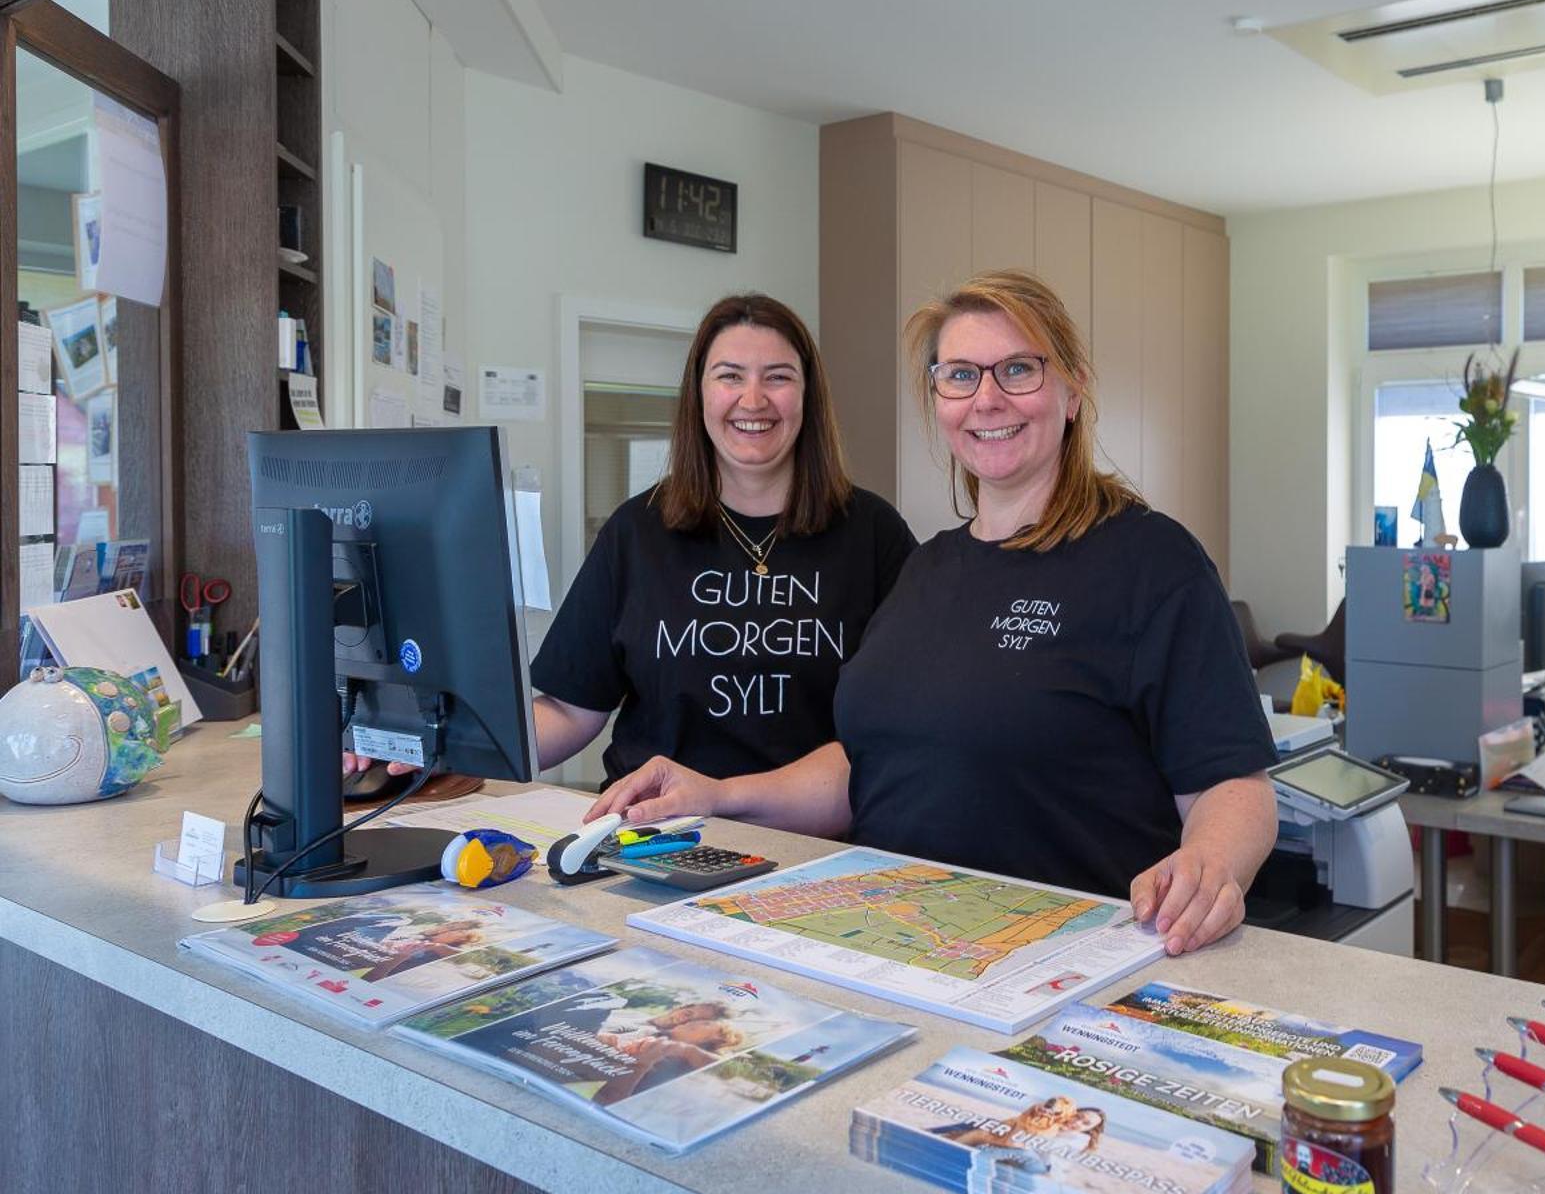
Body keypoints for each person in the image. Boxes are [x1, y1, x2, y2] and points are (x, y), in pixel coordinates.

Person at [590, 270, 1277, 957]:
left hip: (1058, 960)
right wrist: (718, 792)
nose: (987, 398)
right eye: (959, 376)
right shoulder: (926, 567)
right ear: (938, 400)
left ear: (1072, 388)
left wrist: (1212, 862)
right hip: (891, 943)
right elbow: (870, 768)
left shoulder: (1152, 561)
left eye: (1018, 369)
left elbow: (1233, 783)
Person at [350, 294, 916, 787]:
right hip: (652, 832)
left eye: (778, 376)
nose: (753, 399)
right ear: (698, 395)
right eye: (729, 375)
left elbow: (899, 724)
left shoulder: (872, 534)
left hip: (812, 842)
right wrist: (435, 746)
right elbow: (572, 711)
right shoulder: (639, 530)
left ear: (807, 396)